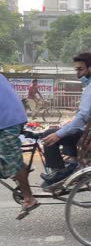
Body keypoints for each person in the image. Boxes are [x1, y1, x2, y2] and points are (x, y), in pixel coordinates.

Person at [41, 53, 91, 187]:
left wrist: (58, 134)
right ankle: (72, 164)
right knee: (69, 128)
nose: (78, 74)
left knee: (48, 134)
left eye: (80, 69)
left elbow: (83, 116)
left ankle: (59, 173)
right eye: (77, 70)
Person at [0, 73, 39, 220]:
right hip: (11, 117)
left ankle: (29, 198)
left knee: (12, 159)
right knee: (8, 157)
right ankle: (19, 172)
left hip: (7, 121)